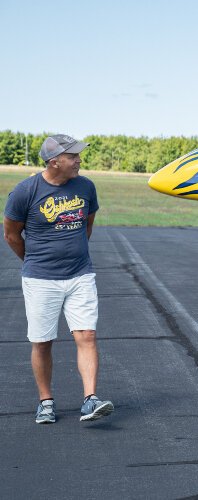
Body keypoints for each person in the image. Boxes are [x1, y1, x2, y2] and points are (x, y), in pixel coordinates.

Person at [3, 134, 114, 424]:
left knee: (87, 335)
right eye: (73, 156)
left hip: (80, 274)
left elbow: (86, 226)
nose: (79, 160)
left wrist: (73, 255)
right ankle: (46, 401)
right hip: (41, 279)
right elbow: (12, 235)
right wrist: (36, 262)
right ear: (55, 162)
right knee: (42, 341)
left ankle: (90, 400)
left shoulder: (86, 187)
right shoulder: (24, 192)